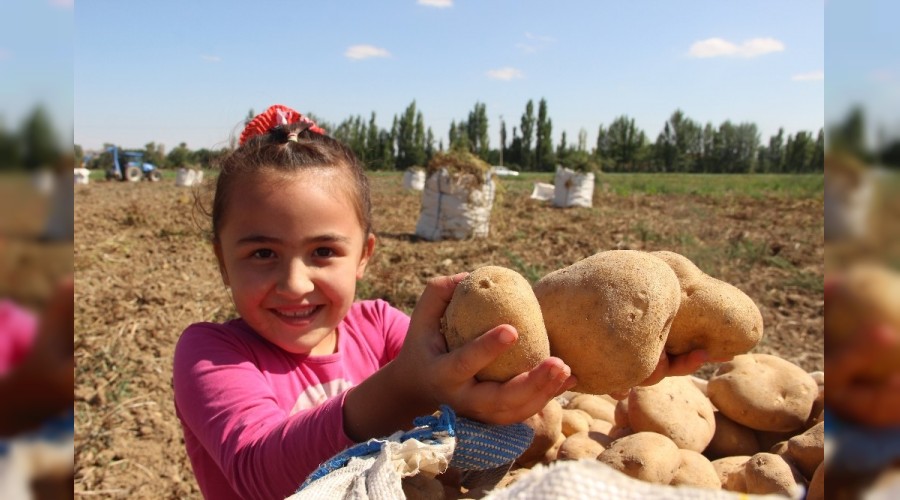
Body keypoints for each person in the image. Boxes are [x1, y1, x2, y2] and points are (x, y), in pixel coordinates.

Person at [173, 104, 711, 500]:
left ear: (364, 256)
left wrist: (609, 358)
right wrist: (409, 385)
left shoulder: (380, 325)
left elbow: (484, 376)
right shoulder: (211, 354)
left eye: (323, 252)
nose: (295, 283)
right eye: (262, 252)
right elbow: (260, 473)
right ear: (222, 260)